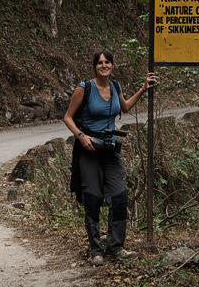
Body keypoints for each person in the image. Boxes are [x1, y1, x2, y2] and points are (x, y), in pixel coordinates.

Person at [63, 49, 157, 267]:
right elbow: (67, 117)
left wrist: (143, 89)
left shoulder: (116, 87)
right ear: (95, 66)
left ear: (113, 65)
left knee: (119, 195)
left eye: (107, 62)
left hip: (110, 149)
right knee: (93, 197)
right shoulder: (84, 88)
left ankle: (115, 247)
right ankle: (96, 249)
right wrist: (80, 136)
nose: (103, 65)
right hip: (89, 149)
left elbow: (124, 107)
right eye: (100, 63)